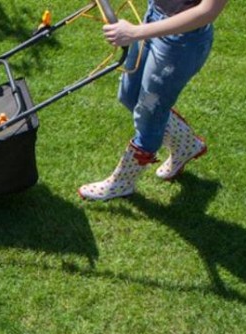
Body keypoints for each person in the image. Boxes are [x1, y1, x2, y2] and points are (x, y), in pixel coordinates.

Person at [78, 0, 228, 201]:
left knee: (150, 115)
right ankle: (186, 144)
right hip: (152, 18)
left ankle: (122, 183)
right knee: (129, 95)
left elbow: (207, 12)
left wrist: (134, 33)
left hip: (182, 41)